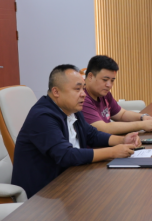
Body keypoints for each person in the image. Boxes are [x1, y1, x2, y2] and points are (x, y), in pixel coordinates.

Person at [12, 64, 141, 197]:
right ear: (56, 92)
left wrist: (122, 140)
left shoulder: (72, 109)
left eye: (83, 88)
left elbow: (92, 134)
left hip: (71, 180)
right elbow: (65, 155)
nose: (83, 94)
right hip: (44, 194)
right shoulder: (42, 117)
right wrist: (112, 152)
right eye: (77, 89)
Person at [82, 55, 152, 135]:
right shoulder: (81, 98)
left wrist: (143, 117)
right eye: (105, 80)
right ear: (90, 76)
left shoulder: (104, 93)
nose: (109, 85)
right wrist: (141, 125)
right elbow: (104, 129)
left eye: (112, 80)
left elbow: (121, 114)